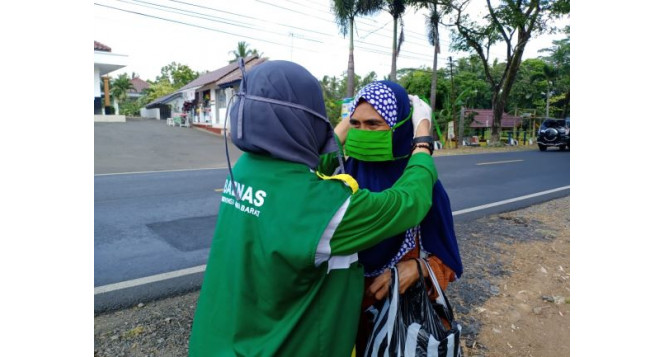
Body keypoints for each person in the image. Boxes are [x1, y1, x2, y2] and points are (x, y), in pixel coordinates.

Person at [189, 60, 437, 357]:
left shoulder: (246, 169)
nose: (362, 130)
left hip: (222, 340)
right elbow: (411, 201)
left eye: (373, 123)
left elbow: (305, 164)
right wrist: (422, 139)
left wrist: (348, 121)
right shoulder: (325, 208)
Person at [331, 81, 463, 354]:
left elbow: (447, 260)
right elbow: (313, 159)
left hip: (395, 318)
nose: (362, 132)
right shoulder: (340, 172)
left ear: (400, 126)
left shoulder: (419, 179)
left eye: (374, 124)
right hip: (341, 311)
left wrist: (417, 268)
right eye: (355, 124)